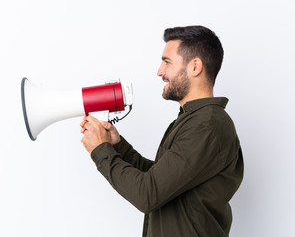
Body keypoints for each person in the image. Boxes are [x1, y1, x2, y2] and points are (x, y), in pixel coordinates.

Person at [80, 25, 244, 237]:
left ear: (195, 67)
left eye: (167, 62)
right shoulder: (195, 121)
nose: (159, 71)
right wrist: (117, 146)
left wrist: (100, 150)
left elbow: (147, 194)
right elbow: (159, 180)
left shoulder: (206, 125)